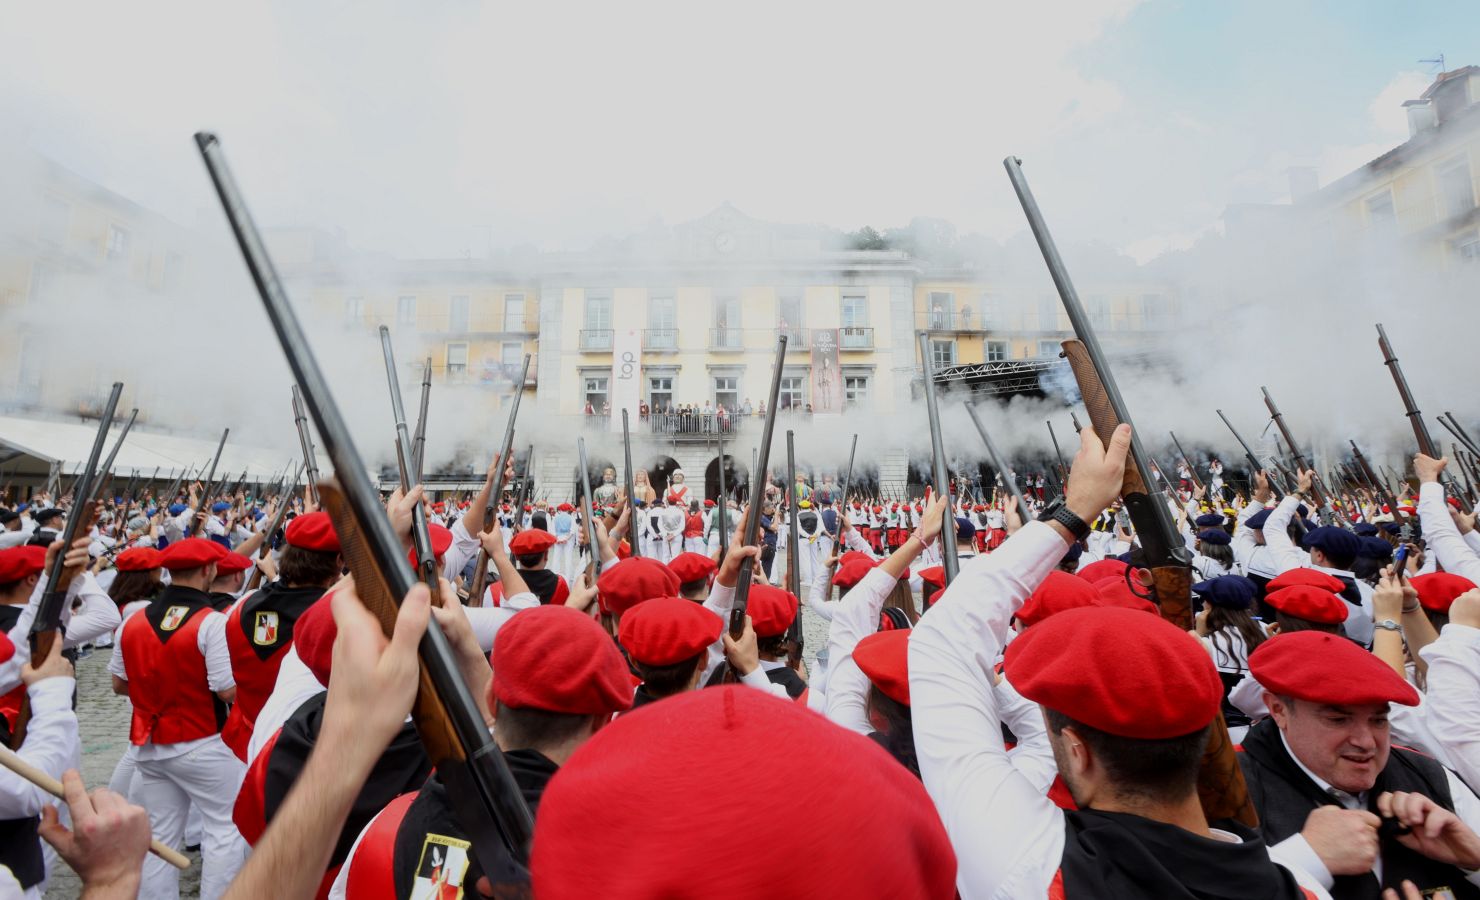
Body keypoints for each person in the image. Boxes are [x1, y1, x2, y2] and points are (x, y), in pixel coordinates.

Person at [909, 424, 1329, 898]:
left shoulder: (1032, 867)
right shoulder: (1305, 887)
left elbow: (941, 638)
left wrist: (1074, 511)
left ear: (1077, 752)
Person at [1240, 630, 1480, 897]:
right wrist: (1305, 858)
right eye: (1338, 720)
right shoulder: (1228, 792)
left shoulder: (1427, 774)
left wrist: (1475, 863)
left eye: (1378, 720)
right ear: (1278, 710)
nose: (1366, 742)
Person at [109, 537, 247, 900]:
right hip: (201, 740)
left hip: (150, 745)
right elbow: (225, 690)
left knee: (160, 838)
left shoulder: (133, 621)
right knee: (225, 830)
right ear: (208, 570)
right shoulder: (211, 622)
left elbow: (119, 684)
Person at [221, 511, 342, 762]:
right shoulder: (336, 619)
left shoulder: (242, 604)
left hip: (243, 744)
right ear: (339, 562)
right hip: (302, 753)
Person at [1191, 575, 1268, 742]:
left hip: (1224, 735)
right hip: (1267, 730)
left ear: (1210, 606)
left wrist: (1198, 634)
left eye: (1204, 600)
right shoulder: (1266, 631)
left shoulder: (1207, 644)